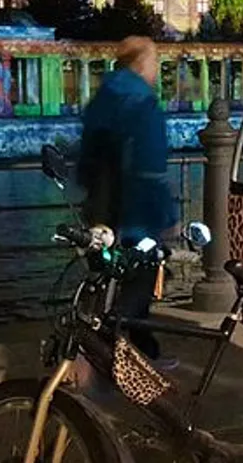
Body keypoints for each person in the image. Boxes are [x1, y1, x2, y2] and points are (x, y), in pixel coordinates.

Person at [76, 36, 177, 361]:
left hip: (103, 208)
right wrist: (167, 215)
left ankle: (134, 349)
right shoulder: (143, 103)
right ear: (139, 64)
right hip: (137, 211)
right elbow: (150, 169)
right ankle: (129, 353)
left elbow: (86, 157)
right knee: (141, 279)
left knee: (111, 279)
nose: (155, 70)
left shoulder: (103, 97)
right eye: (153, 62)